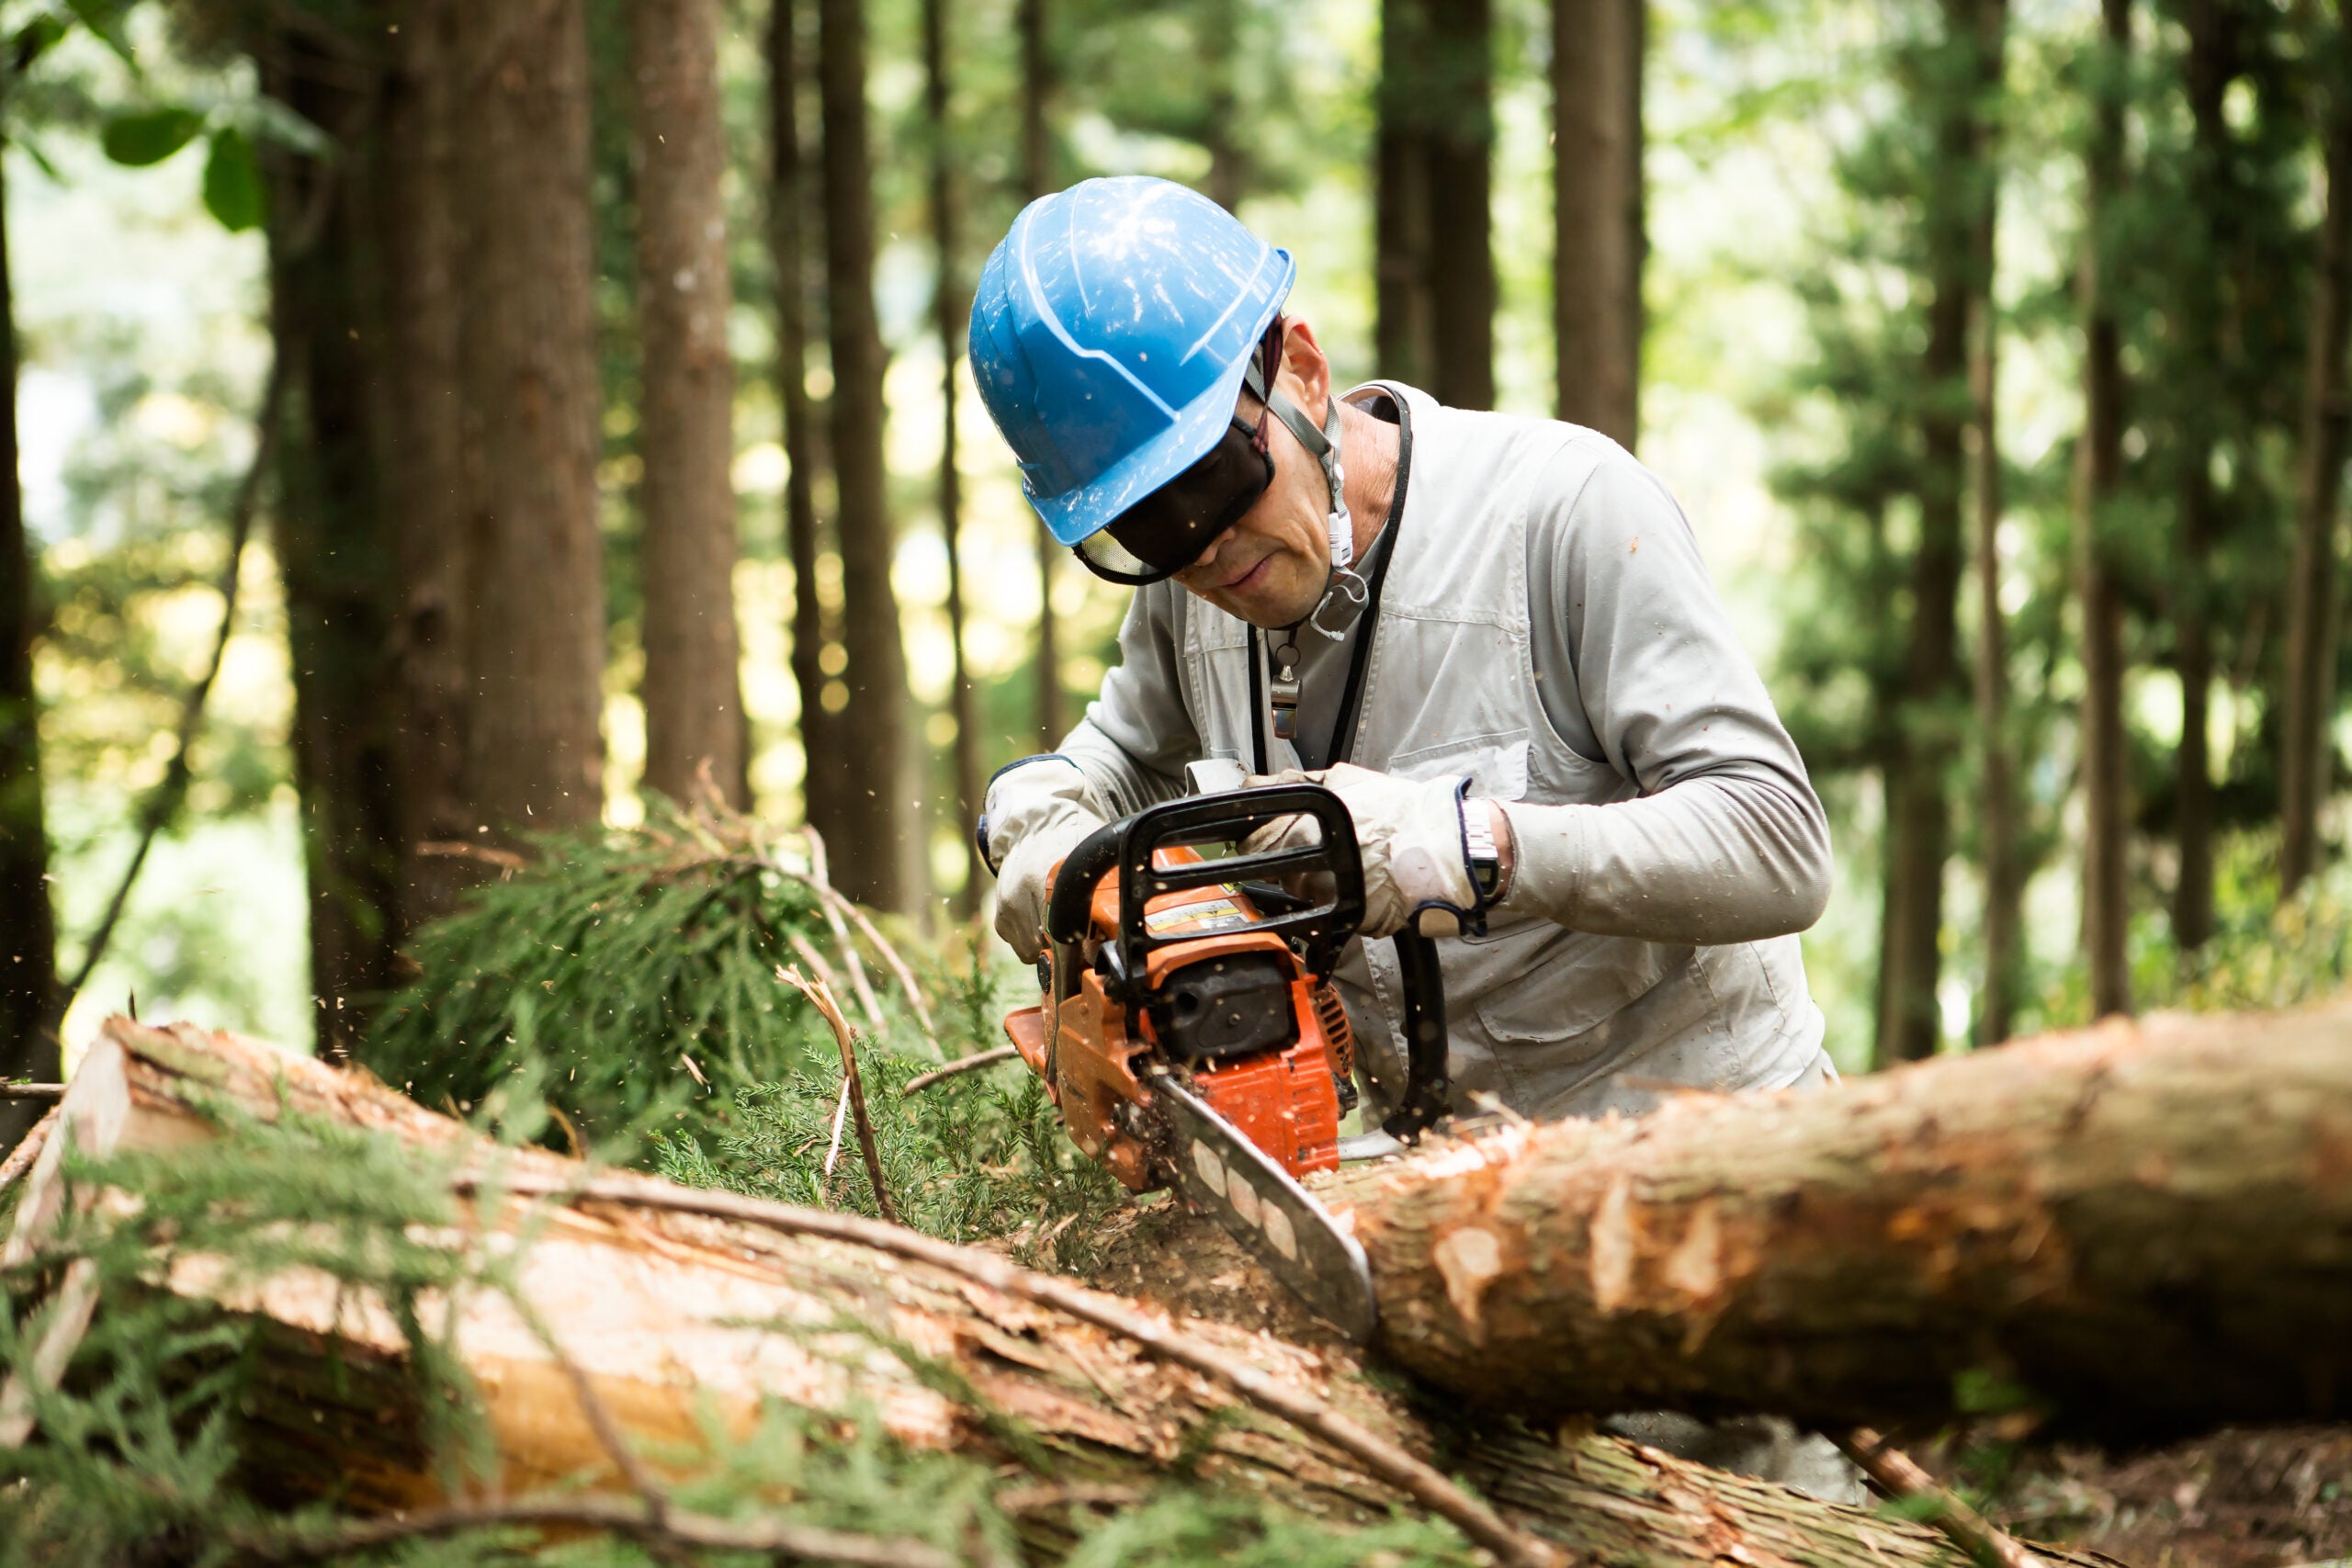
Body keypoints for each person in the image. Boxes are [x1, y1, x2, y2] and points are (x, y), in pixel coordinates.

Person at [967, 174, 1838, 1129]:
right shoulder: (1191, 579)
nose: (1202, 549)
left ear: (1301, 371)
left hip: (1715, 1137)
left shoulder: (1564, 513)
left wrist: (1465, 848)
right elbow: (1127, 758)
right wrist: (1040, 816)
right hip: (1446, 1173)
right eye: (1143, 529)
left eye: (1214, 480)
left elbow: (1778, 845)